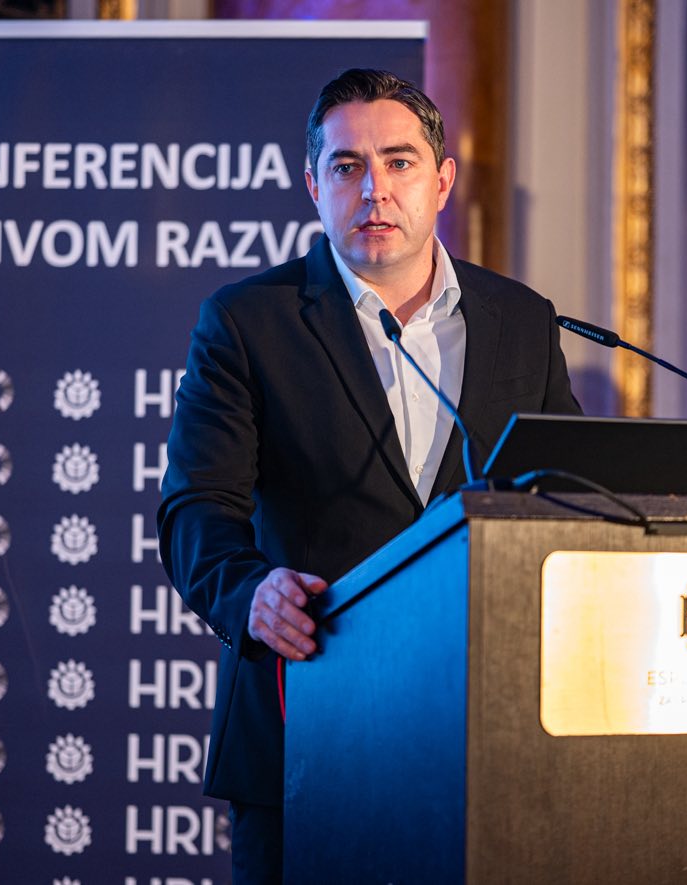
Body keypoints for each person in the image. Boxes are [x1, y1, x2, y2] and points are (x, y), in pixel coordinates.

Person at [157, 68, 581, 882]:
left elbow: (567, 494)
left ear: (442, 181)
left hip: (487, 730)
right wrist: (251, 593)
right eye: (347, 166)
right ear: (314, 186)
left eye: (399, 162)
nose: (374, 189)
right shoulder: (248, 321)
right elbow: (195, 507)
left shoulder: (522, 321)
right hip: (306, 720)